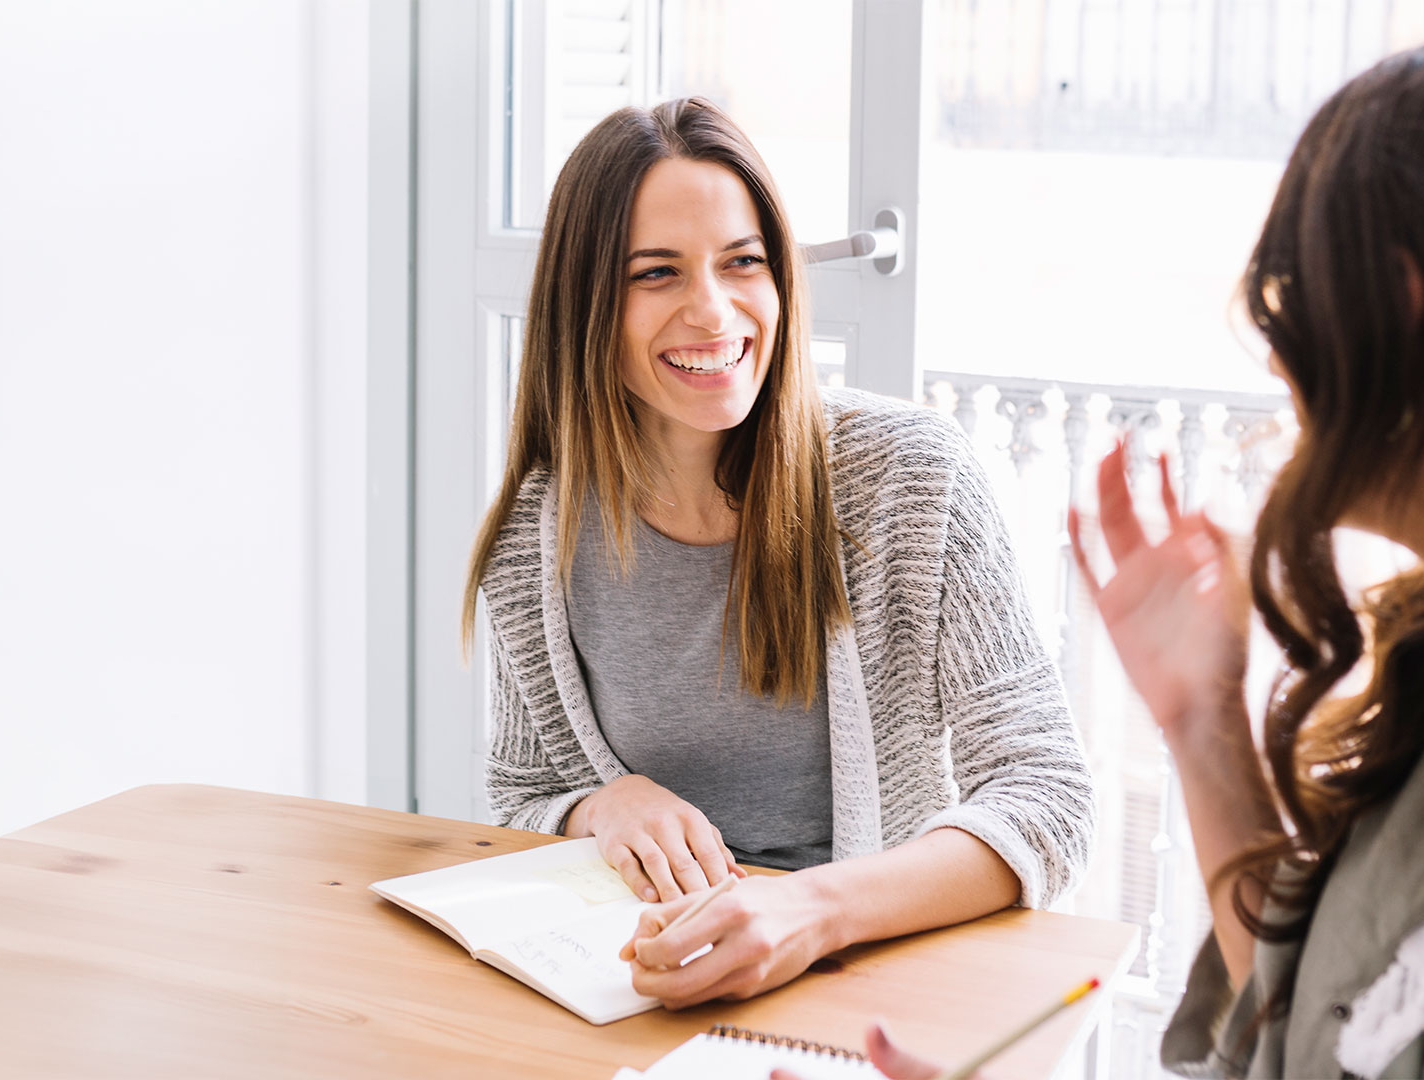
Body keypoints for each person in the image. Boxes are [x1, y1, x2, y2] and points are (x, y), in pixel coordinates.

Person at [790, 24, 1424, 1080]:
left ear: (1402, 305)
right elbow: (1311, 1042)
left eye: (1296, 291)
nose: (1276, 356)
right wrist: (1202, 722)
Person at [460, 96, 1094, 1007]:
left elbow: (1049, 794)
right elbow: (523, 789)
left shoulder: (908, 478)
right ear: (584, 302)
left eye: (742, 262)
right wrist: (599, 805)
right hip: (642, 985)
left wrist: (811, 912)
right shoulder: (535, 536)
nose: (713, 313)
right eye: (656, 273)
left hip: (867, 977)